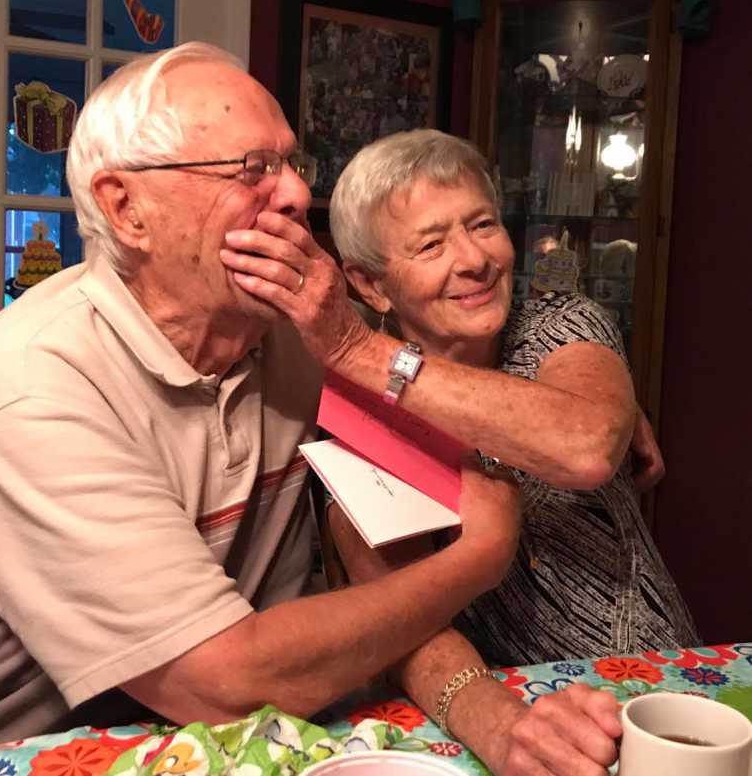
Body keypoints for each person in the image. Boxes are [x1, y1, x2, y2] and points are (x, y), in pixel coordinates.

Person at [0, 44, 613, 776]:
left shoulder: (287, 334)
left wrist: (590, 408)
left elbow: (448, 407)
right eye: (252, 169)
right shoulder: (35, 381)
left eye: (293, 165)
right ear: (126, 208)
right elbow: (225, 678)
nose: (294, 194)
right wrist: (478, 557)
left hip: (248, 744)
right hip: (18, 754)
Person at [219, 128, 698, 670]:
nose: (475, 259)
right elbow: (391, 607)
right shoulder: (355, 411)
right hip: (508, 697)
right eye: (431, 244)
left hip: (661, 675)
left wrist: (362, 351)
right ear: (370, 284)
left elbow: (584, 447)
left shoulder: (562, 323)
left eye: (483, 224)